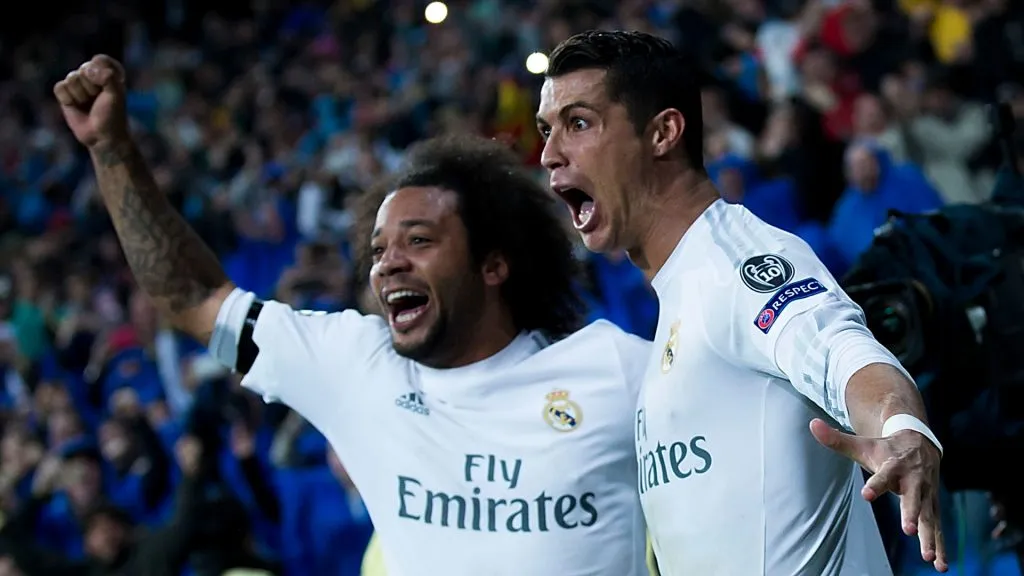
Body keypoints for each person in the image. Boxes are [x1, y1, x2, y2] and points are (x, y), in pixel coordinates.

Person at [54, 55, 651, 575]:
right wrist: (112, 151)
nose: (388, 264)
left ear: (493, 265)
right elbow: (191, 297)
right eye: (378, 249)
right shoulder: (357, 365)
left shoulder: (616, 372)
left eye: (418, 241)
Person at [536, 30, 948, 575]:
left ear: (663, 132)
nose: (548, 154)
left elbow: (840, 349)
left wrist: (902, 428)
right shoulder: (678, 295)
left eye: (579, 123)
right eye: (547, 130)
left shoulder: (738, 261)